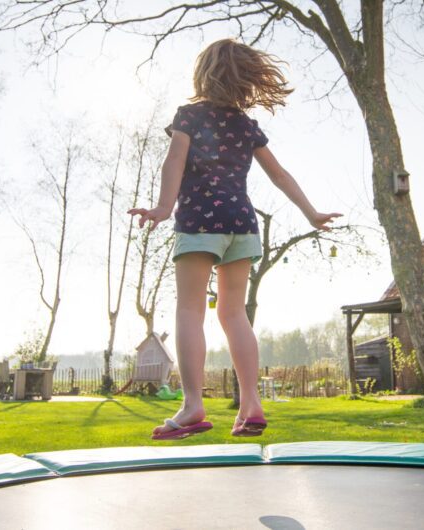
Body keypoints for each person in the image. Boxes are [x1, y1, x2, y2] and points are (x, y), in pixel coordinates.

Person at [129, 39, 340, 440]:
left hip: (199, 222)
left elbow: (174, 160)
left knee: (190, 310)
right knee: (233, 313)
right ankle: (251, 404)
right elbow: (280, 175)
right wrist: (310, 212)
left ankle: (192, 406)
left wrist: (161, 208)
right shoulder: (246, 125)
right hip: (242, 223)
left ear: (203, 74)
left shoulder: (188, 116)